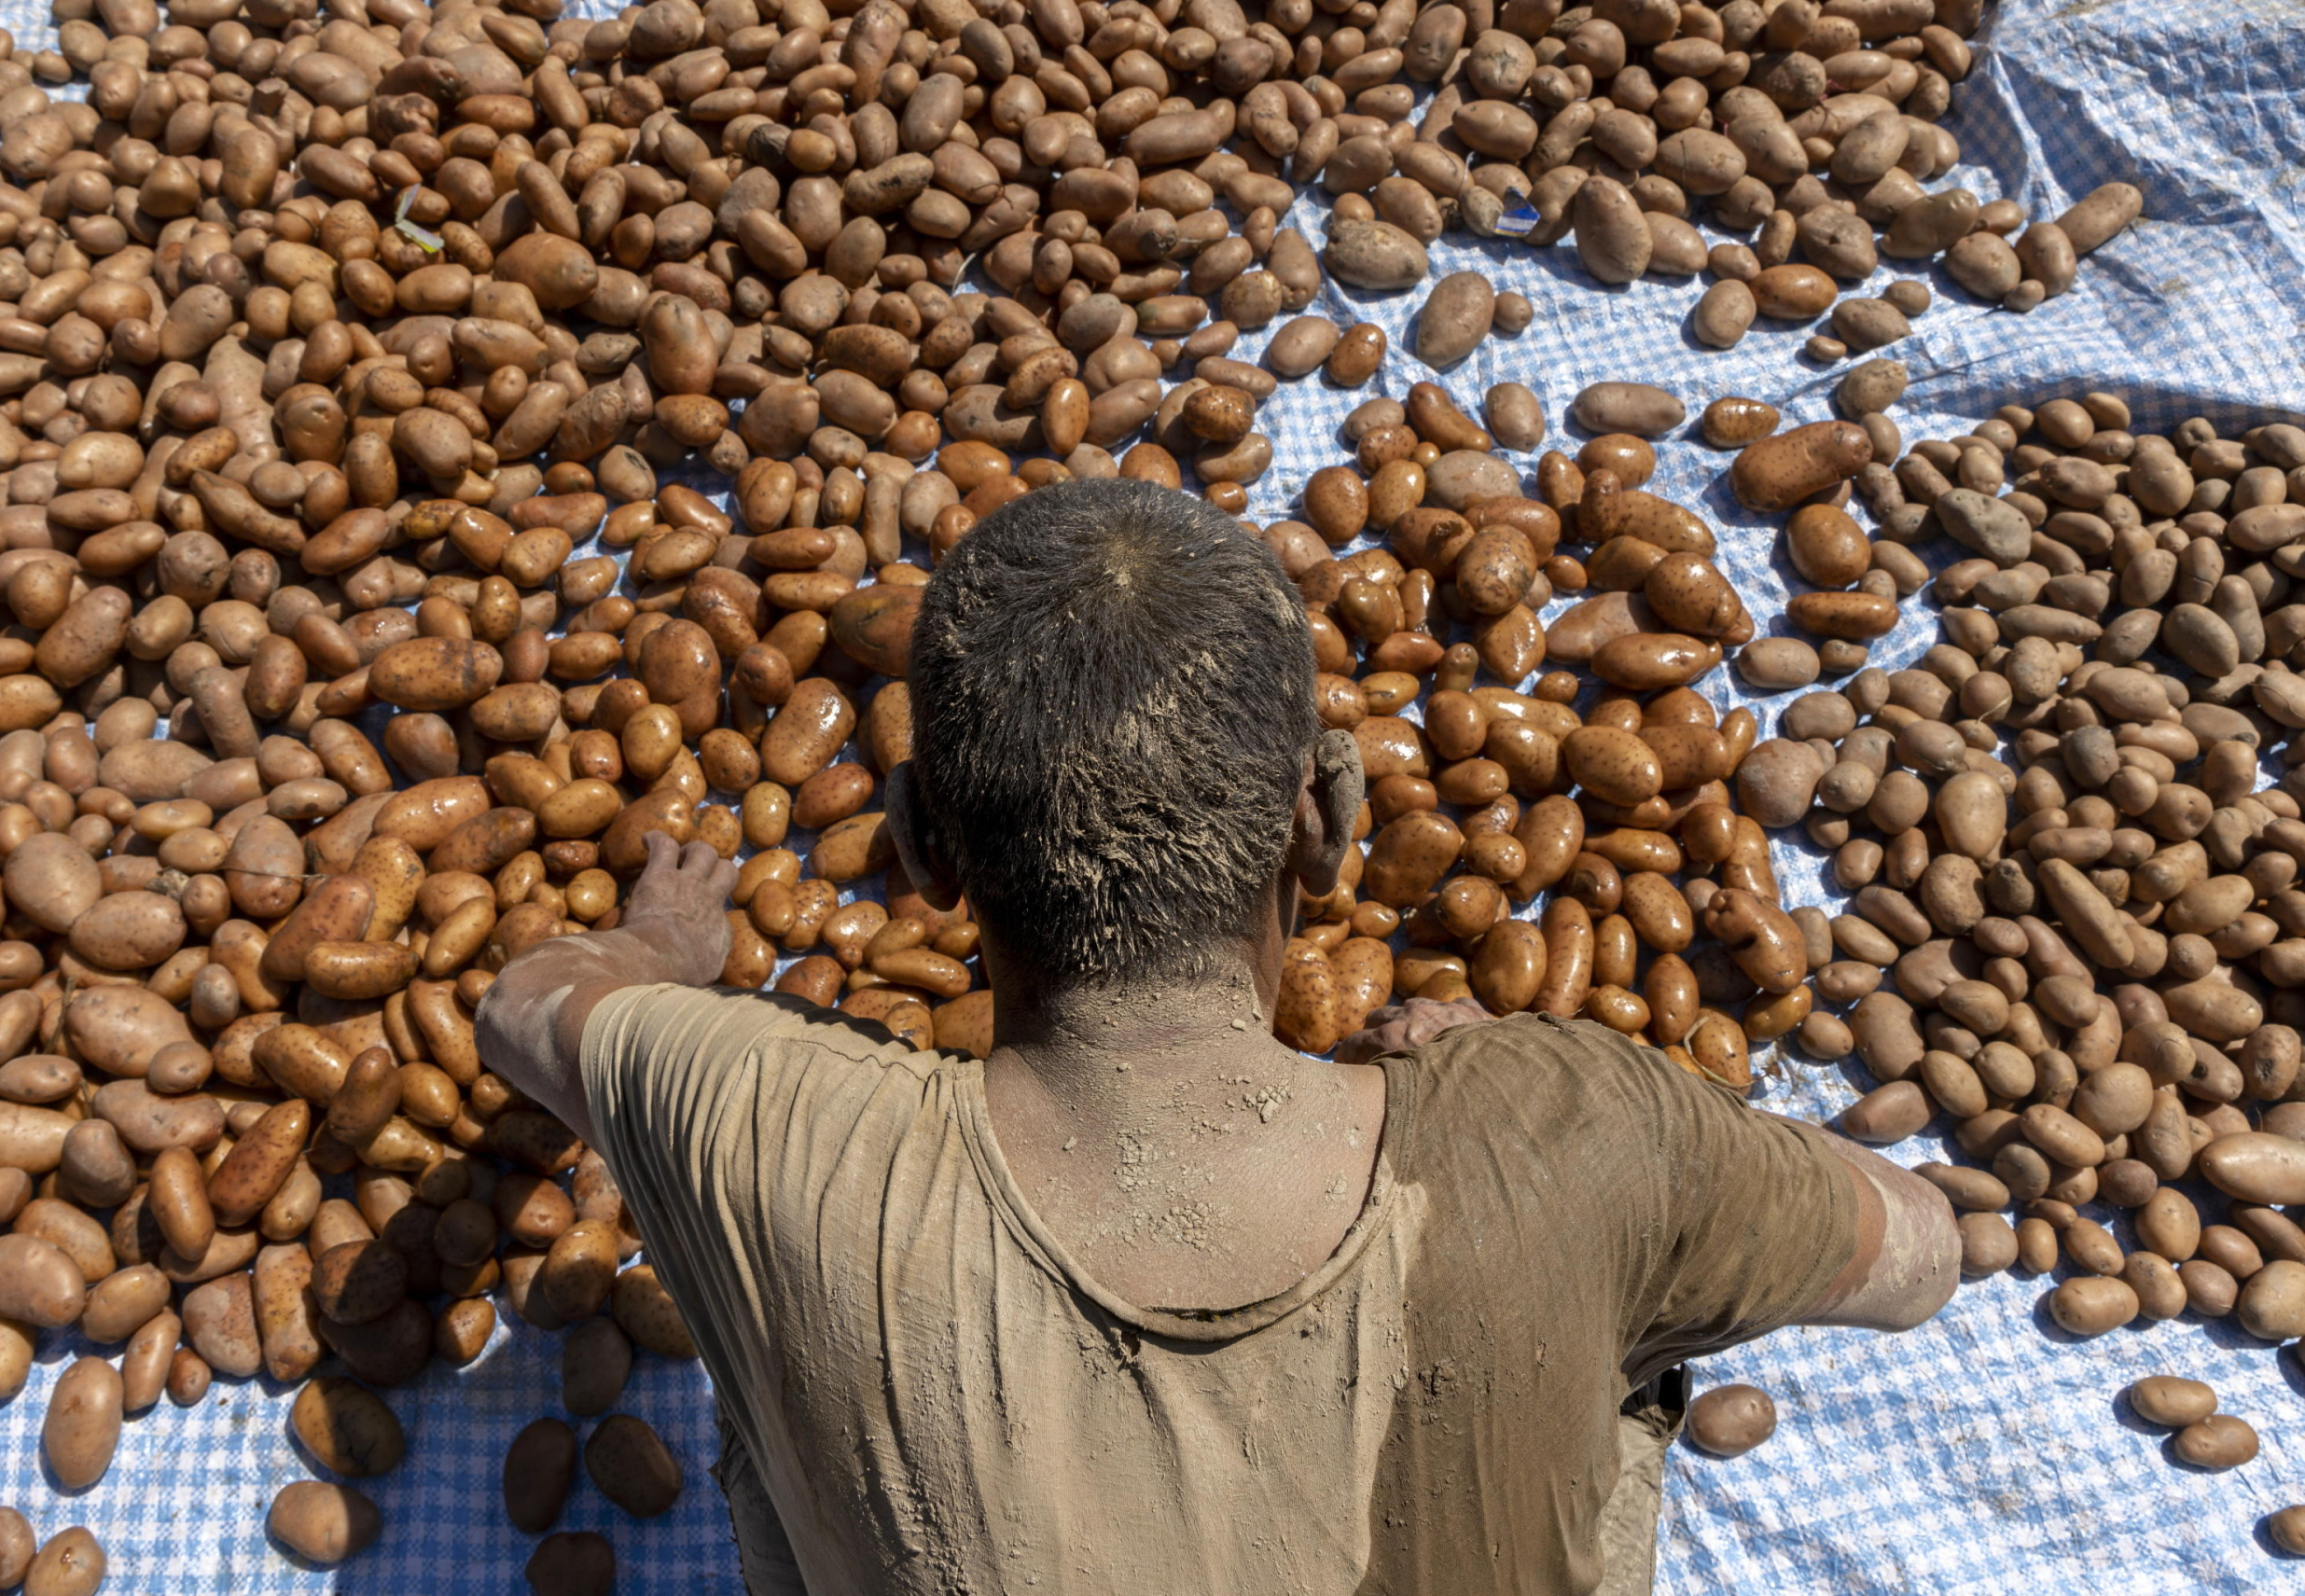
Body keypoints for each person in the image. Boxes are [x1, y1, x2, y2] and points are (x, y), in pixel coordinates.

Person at [476, 479, 1960, 1596]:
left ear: (921, 845)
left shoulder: (745, 1112)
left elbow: (519, 1005)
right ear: (1325, 822)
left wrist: (656, 958)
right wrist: (1514, 1113)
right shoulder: (1574, 1128)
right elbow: (1919, 1251)